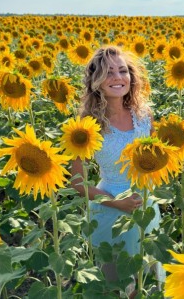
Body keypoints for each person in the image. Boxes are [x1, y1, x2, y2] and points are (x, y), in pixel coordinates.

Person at [71, 45, 166, 289]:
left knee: (146, 281)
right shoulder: (87, 124)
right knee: (120, 286)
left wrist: (176, 164)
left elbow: (158, 158)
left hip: (146, 205)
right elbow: (78, 183)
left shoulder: (144, 114)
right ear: (95, 81)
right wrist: (117, 202)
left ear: (131, 77)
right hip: (110, 211)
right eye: (108, 72)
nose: (117, 77)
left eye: (123, 71)